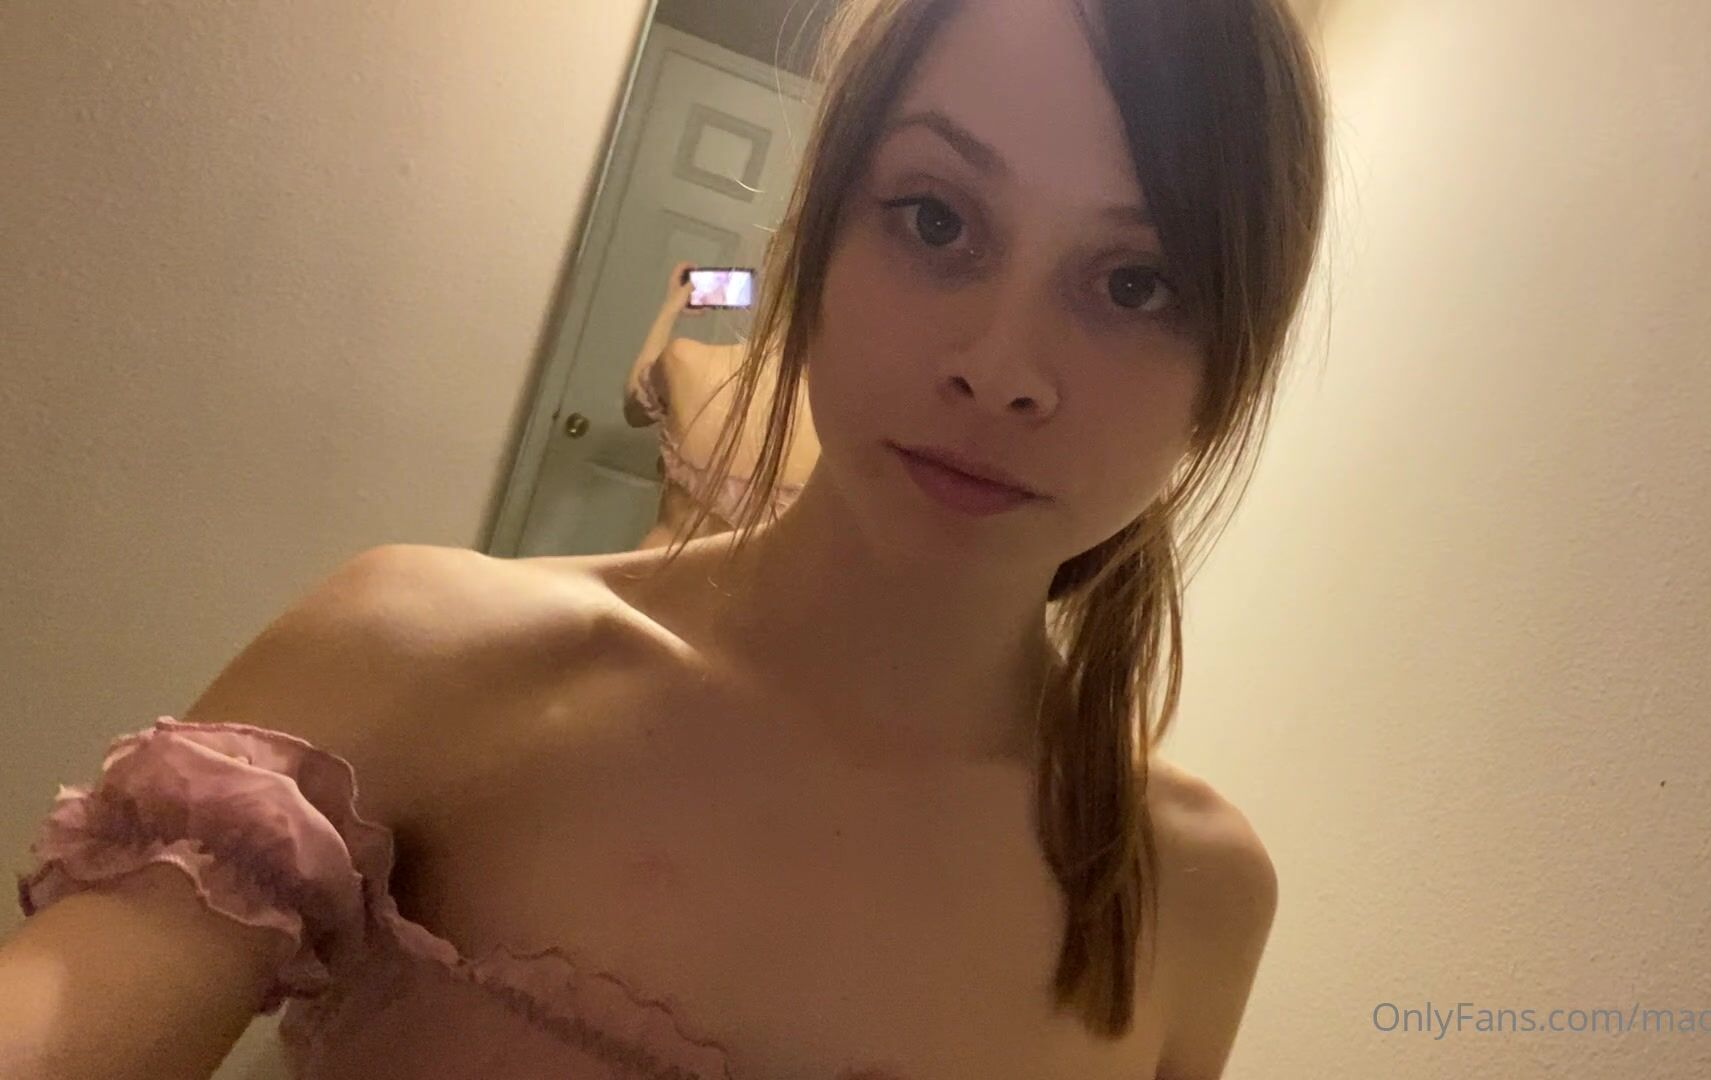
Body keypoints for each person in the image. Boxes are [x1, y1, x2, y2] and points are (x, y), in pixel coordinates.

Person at [1, 0, 1327, 1076]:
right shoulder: (429, 656)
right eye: (936, 219)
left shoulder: (1195, 898)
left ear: (1227, 381)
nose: (1000, 367)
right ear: (813, 244)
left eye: (1136, 283)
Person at [625, 261, 820, 551]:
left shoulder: (683, 360)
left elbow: (634, 407)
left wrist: (671, 307)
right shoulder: (843, 426)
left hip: (654, 574)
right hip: (760, 581)